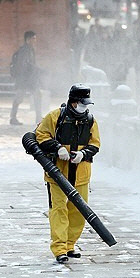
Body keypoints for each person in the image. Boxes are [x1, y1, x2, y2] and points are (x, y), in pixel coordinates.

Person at [35, 84, 100, 264]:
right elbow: (40, 135)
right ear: (73, 102)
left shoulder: (91, 120)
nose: (85, 107)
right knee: (58, 210)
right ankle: (60, 248)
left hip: (81, 174)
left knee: (79, 211)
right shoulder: (55, 117)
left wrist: (83, 154)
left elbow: (95, 144)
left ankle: (70, 245)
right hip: (57, 174)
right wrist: (57, 148)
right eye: (82, 103)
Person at [10, 31, 42, 125]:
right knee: (19, 98)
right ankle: (13, 118)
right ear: (28, 39)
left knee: (37, 96)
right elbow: (25, 65)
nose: (35, 40)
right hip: (24, 79)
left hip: (28, 78)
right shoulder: (24, 50)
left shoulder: (29, 49)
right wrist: (37, 69)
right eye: (33, 38)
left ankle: (38, 118)